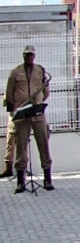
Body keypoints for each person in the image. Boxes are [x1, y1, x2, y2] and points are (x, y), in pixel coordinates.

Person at [5, 44, 53, 192]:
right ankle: (21, 181)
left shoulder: (40, 70)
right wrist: (13, 112)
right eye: (26, 55)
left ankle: (47, 179)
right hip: (22, 115)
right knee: (21, 147)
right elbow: (9, 94)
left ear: (34, 56)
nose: (29, 57)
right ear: (23, 55)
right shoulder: (15, 72)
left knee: (43, 144)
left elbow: (46, 92)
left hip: (37, 114)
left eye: (31, 54)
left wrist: (38, 101)